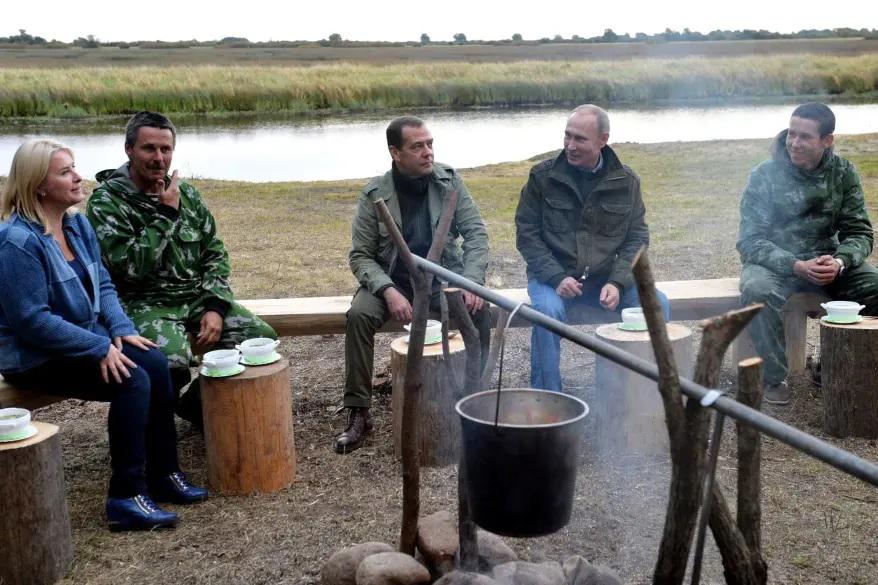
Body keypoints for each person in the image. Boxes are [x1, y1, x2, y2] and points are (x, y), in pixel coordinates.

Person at [0, 140, 207, 532]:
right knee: (133, 379)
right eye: (65, 172)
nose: (78, 177)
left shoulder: (76, 225)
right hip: (34, 356)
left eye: (74, 167)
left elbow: (104, 285)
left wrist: (122, 329)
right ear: (37, 185)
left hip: (82, 340)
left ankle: (164, 473)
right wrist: (98, 346)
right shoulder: (17, 242)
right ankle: (125, 497)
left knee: (154, 361)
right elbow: (32, 321)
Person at [86, 112, 276, 428]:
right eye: (149, 148)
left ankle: (194, 406)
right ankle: (154, 432)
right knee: (168, 362)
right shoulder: (108, 203)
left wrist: (215, 306)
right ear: (129, 149)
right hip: (145, 304)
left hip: (196, 298)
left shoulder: (187, 194)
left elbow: (214, 253)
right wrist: (165, 214)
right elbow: (129, 268)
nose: (159, 158)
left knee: (260, 341)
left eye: (166, 149)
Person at [339, 115, 491, 454]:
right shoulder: (375, 194)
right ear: (396, 153)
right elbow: (360, 256)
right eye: (417, 146)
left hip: (442, 279)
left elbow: (476, 235)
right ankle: (358, 411)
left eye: (430, 144)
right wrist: (387, 290)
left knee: (479, 312)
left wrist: (471, 282)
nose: (428, 152)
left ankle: (475, 400)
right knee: (359, 316)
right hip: (392, 280)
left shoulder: (450, 182)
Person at [515, 104, 670, 393]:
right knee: (545, 314)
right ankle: (548, 401)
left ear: (603, 140)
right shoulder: (542, 177)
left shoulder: (626, 182)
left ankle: (642, 394)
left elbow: (637, 238)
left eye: (580, 139)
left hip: (605, 279)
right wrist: (556, 277)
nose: (570, 145)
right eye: (567, 136)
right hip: (552, 279)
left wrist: (618, 282)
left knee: (657, 306)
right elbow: (527, 235)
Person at [737, 102, 878, 405]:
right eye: (792, 133)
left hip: (827, 262)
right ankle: (773, 378)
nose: (794, 142)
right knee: (756, 289)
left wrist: (839, 261)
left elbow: (860, 233)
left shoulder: (843, 172)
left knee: (876, 287)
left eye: (804, 136)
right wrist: (796, 265)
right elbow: (750, 240)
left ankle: (832, 368)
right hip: (776, 263)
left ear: (827, 140)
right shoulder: (764, 175)